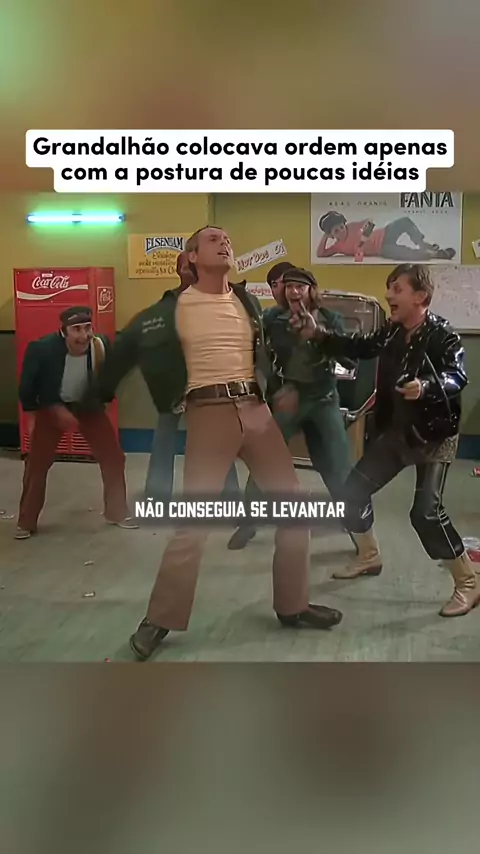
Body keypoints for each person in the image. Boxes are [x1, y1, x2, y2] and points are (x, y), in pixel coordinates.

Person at [98, 225, 343, 660]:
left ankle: (293, 604)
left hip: (256, 409)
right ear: (192, 257)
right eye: (213, 239)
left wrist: (283, 385)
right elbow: (137, 350)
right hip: (208, 411)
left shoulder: (247, 301)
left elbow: (267, 351)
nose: (224, 242)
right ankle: (159, 618)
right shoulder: (175, 307)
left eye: (227, 239)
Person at [290, 262, 480, 618]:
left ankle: (468, 582)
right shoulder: (393, 331)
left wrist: (426, 386)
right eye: (389, 287)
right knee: (350, 494)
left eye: (397, 289)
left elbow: (457, 375)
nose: (388, 295)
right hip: (396, 431)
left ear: (420, 297)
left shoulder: (443, 335)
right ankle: (369, 555)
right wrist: (318, 334)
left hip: (434, 435)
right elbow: (359, 347)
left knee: (425, 513)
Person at [228, 264, 354, 551]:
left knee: (337, 462)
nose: (295, 292)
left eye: (301, 286)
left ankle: (355, 522)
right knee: (265, 460)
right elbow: (261, 357)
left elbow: (349, 360)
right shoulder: (273, 318)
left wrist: (320, 334)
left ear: (311, 290)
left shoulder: (330, 319)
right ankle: (248, 522)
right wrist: (276, 390)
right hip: (289, 398)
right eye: (290, 287)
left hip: (323, 399)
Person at [15, 306, 135, 539]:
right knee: (37, 464)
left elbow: (109, 375)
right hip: (53, 407)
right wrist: (34, 414)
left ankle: (117, 512)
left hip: (87, 406)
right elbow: (27, 385)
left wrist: (105, 399)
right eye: (77, 329)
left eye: (87, 328)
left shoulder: (99, 345)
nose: (84, 335)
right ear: (64, 331)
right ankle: (26, 522)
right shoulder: (42, 349)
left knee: (114, 457)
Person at [144, 250, 240, 500]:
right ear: (179, 271)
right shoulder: (169, 303)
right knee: (164, 441)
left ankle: (231, 498)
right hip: (174, 384)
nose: (192, 271)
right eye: (186, 267)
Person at [316, 211, 456, 262]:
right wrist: (324, 237)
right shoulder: (338, 247)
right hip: (382, 249)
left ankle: (422, 243)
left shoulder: (352, 226)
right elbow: (320, 254)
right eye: (336, 231)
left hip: (385, 233)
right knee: (405, 254)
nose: (341, 231)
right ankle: (435, 254)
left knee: (404, 221)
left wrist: (365, 231)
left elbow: (370, 220)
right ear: (331, 235)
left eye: (341, 226)